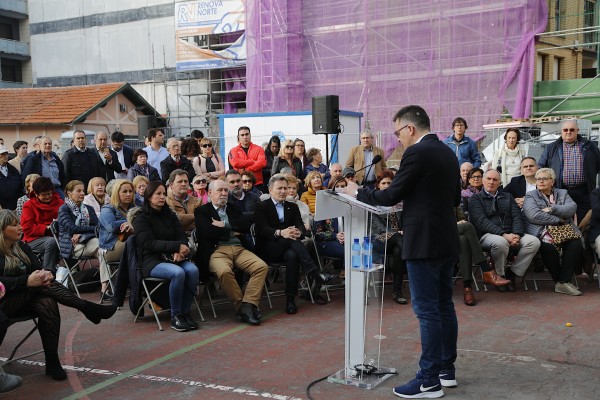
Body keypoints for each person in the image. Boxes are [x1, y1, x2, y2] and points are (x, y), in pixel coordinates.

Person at [348, 105, 459, 398]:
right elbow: (454, 196)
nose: (398, 139)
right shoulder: (448, 151)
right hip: (446, 238)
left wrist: (356, 192)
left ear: (410, 128)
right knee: (444, 306)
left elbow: (390, 195)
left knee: (427, 311)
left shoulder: (417, 153)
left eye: (398, 132)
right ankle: (446, 370)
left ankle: (429, 381)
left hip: (423, 241)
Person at [0, 210, 117, 381]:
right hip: (4, 303)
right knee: (39, 288)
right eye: (14, 224)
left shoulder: (22, 247)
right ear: (2, 229)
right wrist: (27, 281)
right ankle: (87, 308)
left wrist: (47, 274)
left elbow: (38, 268)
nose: (20, 227)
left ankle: (52, 361)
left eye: (19, 223)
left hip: (27, 298)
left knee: (47, 302)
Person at [254, 174, 335, 315]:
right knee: (292, 243)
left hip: (289, 247)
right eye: (279, 188)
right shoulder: (262, 206)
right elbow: (262, 229)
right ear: (270, 190)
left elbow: (301, 226)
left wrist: (298, 232)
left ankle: (290, 299)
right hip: (268, 247)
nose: (283, 191)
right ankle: (316, 273)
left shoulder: (292, 206)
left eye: (285, 188)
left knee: (292, 256)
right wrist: (280, 232)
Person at [195, 180, 268, 325]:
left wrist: (224, 225)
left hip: (239, 249)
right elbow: (206, 232)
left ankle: (248, 304)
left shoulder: (233, 208)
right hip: (216, 251)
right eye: (220, 190)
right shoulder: (202, 211)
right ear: (210, 193)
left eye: (225, 190)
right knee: (224, 272)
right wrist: (233, 232)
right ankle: (242, 306)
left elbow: (245, 226)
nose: (224, 193)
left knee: (261, 267)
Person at [133, 181, 200, 332]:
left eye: (164, 193)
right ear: (149, 197)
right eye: (158, 194)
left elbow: (181, 236)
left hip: (172, 257)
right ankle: (175, 316)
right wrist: (175, 246)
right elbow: (148, 244)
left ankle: (185, 312)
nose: (162, 197)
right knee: (178, 273)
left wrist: (181, 250)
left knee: (193, 270)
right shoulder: (141, 218)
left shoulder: (170, 215)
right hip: (151, 260)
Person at [469, 170, 541, 292]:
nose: (491, 182)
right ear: (483, 180)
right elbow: (481, 222)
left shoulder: (507, 196)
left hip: (511, 233)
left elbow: (517, 216)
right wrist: (504, 235)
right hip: (487, 235)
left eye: (495, 180)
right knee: (500, 242)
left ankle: (512, 273)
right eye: (489, 179)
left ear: (500, 183)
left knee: (533, 242)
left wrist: (517, 235)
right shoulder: (476, 199)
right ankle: (500, 275)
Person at [523, 168, 583, 296]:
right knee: (547, 248)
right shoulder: (531, 195)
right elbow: (534, 215)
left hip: (565, 231)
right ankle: (563, 282)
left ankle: (562, 282)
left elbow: (571, 209)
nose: (541, 181)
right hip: (542, 231)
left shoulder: (562, 193)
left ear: (552, 181)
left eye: (545, 178)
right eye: (538, 179)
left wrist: (552, 208)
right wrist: (559, 220)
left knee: (575, 244)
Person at [538, 119, 600, 225]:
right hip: (561, 191)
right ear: (561, 131)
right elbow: (541, 167)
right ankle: (567, 241)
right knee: (563, 220)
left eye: (572, 129)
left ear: (577, 131)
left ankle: (583, 240)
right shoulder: (552, 148)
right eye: (565, 130)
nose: (568, 132)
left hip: (584, 191)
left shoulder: (589, 146)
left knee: (585, 220)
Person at [369, 170, 408, 305]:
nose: (386, 186)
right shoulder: (373, 203)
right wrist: (398, 233)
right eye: (383, 183)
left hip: (400, 240)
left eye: (389, 183)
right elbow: (378, 228)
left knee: (398, 250)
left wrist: (403, 231)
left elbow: (407, 221)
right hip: (379, 240)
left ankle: (397, 291)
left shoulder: (399, 202)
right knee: (400, 240)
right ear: (378, 185)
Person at [99, 179, 135, 295]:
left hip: (128, 242)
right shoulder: (107, 208)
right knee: (138, 244)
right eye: (124, 191)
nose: (128, 194)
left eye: (130, 191)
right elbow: (111, 227)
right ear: (116, 193)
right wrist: (131, 221)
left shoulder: (135, 208)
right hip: (111, 247)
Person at [20, 177, 64, 270]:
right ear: (36, 194)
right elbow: (27, 228)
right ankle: (48, 273)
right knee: (52, 242)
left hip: (57, 236)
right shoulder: (28, 206)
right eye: (44, 195)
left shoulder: (60, 202)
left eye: (49, 194)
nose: (48, 197)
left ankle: (72, 271)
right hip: (33, 239)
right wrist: (47, 227)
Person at [57, 180, 100, 266]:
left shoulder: (89, 208)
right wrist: (89, 230)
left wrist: (81, 233)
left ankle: (107, 279)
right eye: (78, 191)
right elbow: (72, 229)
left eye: (83, 190)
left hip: (88, 239)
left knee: (102, 252)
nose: (82, 193)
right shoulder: (64, 209)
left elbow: (98, 227)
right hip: (73, 245)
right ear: (69, 193)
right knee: (103, 244)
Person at [166, 169, 201, 234]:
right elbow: (174, 221)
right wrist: (196, 216)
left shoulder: (198, 201)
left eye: (186, 181)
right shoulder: (165, 202)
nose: (183, 184)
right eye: (180, 181)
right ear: (171, 185)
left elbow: (203, 221)